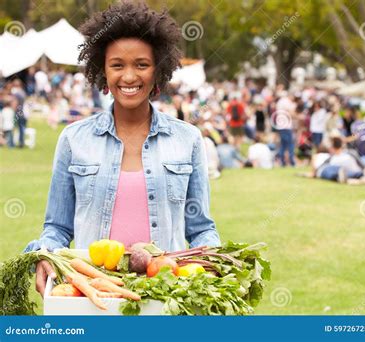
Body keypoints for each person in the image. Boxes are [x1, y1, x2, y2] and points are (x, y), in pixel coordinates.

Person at [25, 1, 220, 297]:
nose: (129, 77)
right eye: (117, 65)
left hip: (166, 296)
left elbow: (200, 228)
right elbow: (57, 227)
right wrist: (46, 253)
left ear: (158, 70)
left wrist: (215, 259)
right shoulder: (73, 139)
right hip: (94, 293)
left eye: (141, 64)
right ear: (103, 70)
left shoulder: (188, 139)